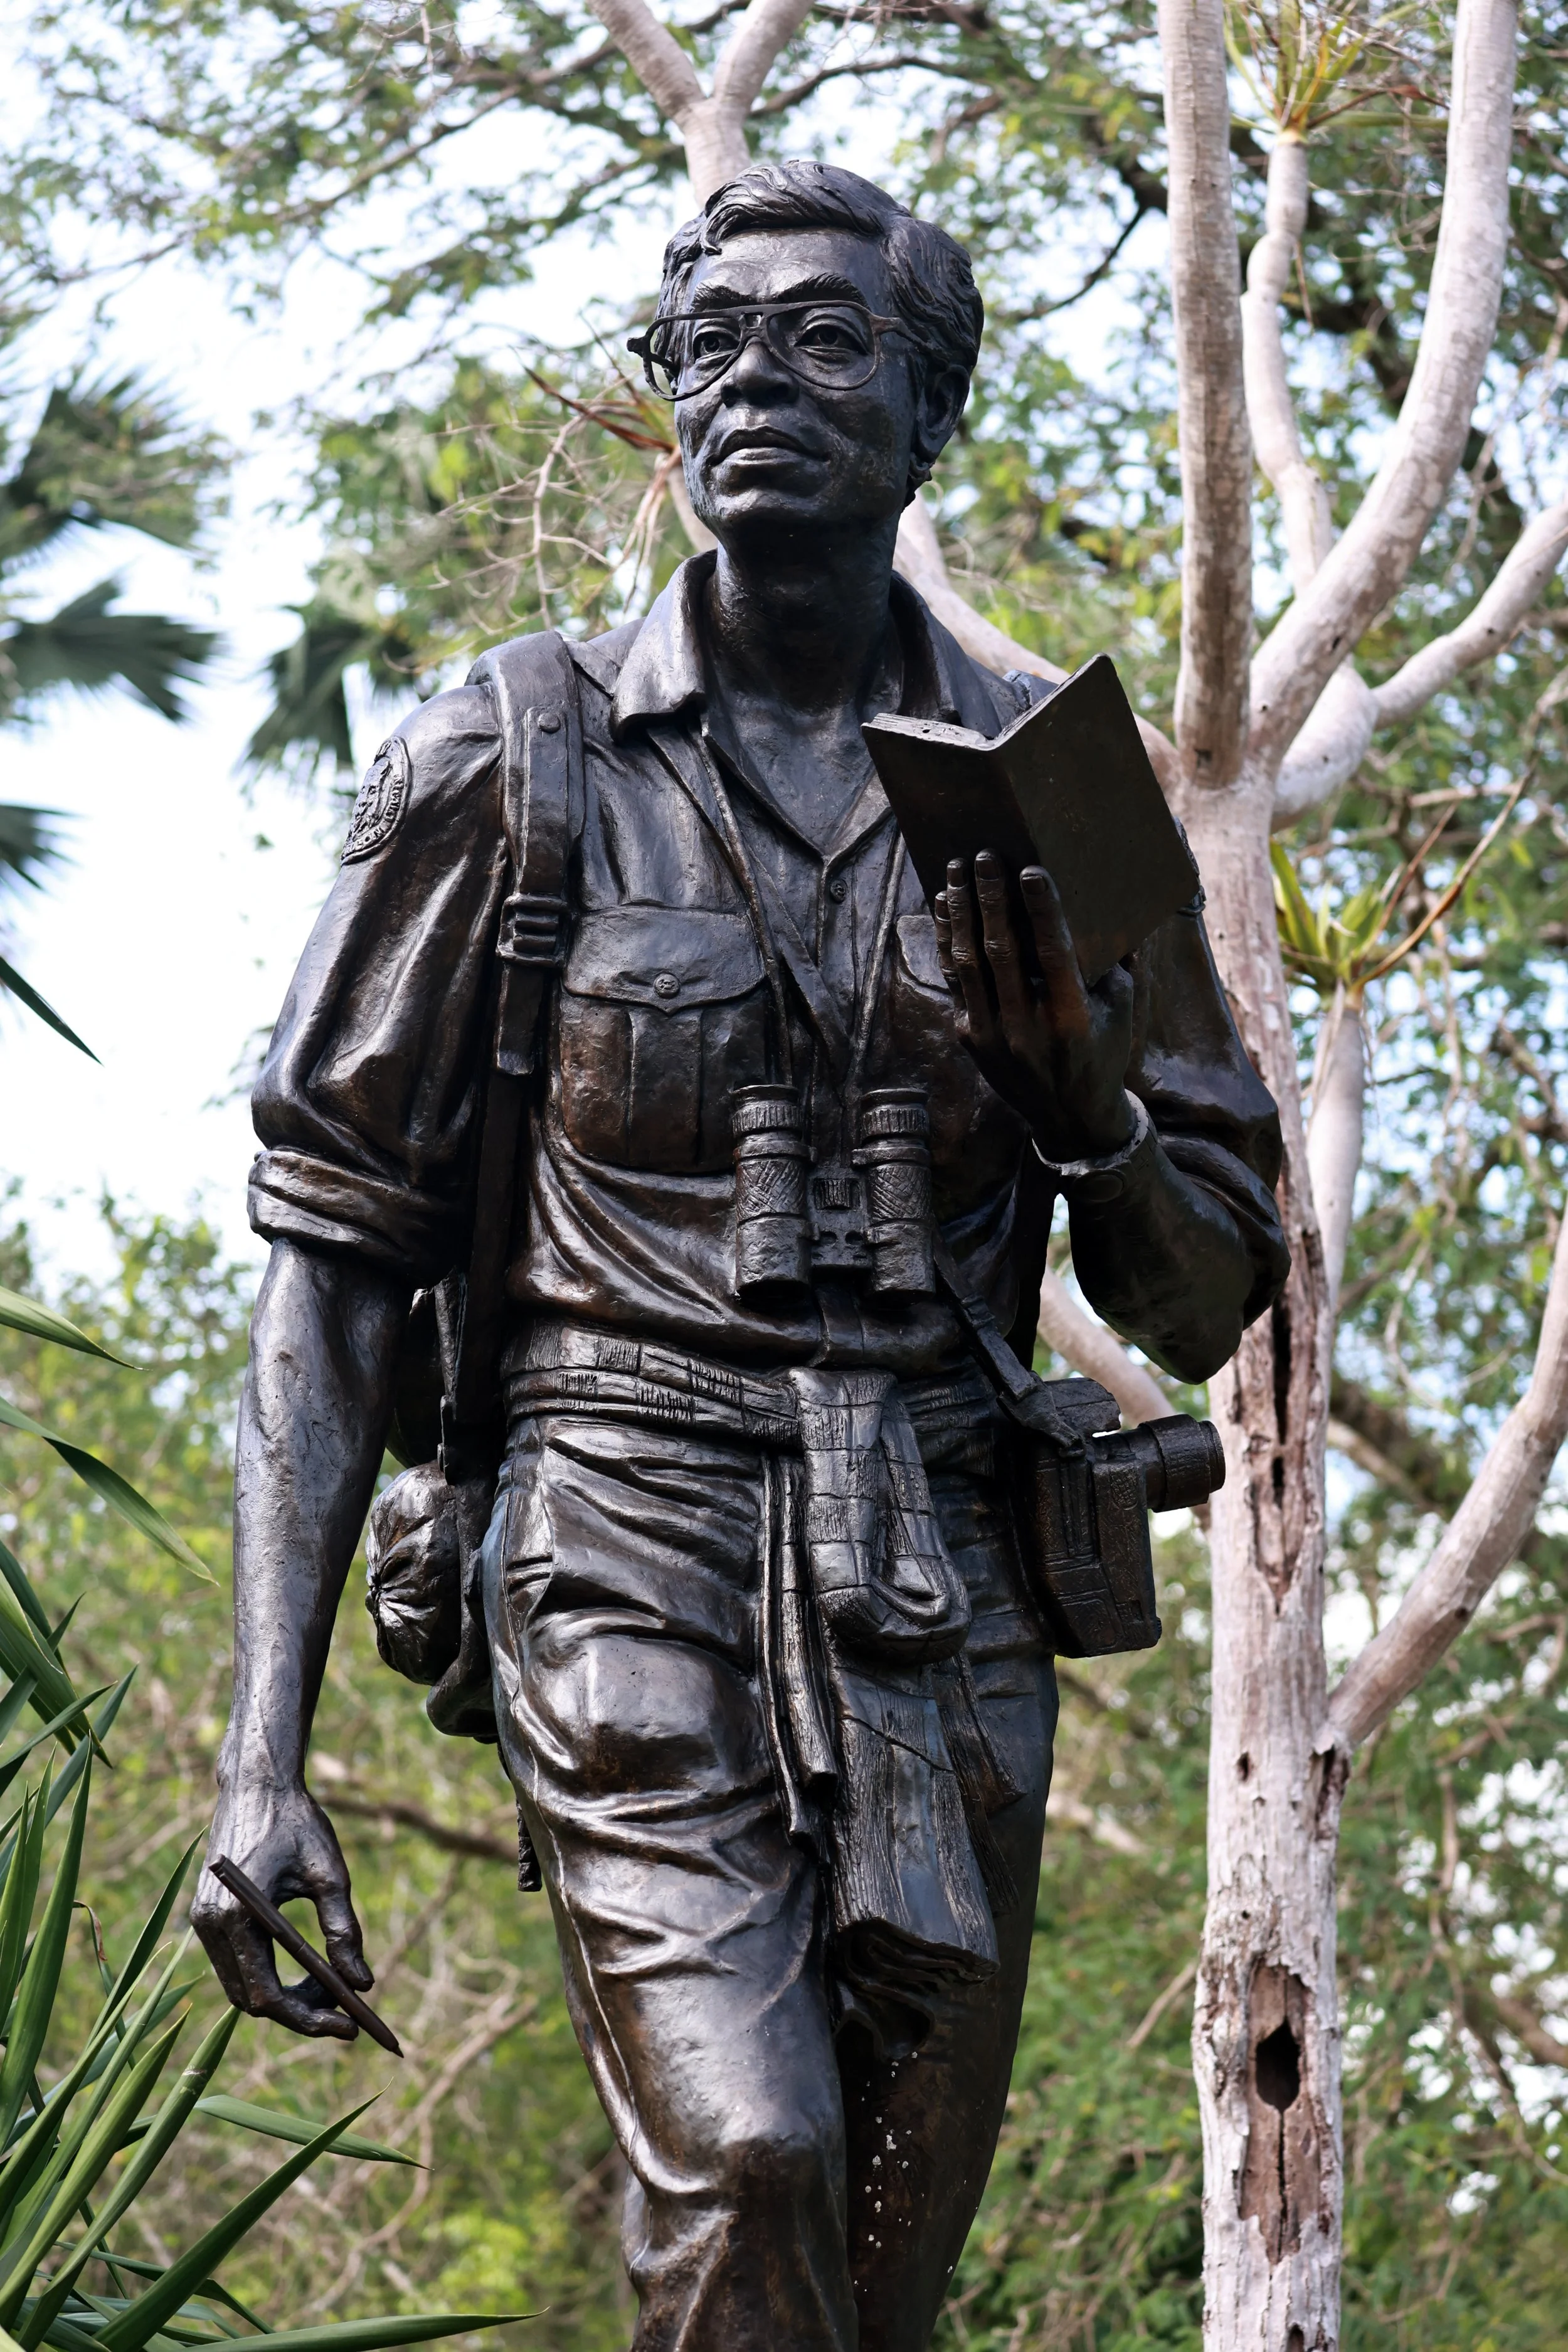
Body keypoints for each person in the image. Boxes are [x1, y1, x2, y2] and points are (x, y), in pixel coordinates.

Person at [193, 161, 1287, 2352]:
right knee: (755, 2148)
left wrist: (1084, 1109)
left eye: (819, 339)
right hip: (616, 1525)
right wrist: (258, 1750)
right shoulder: (508, 760)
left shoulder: (1040, 782)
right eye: (706, 346)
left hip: (942, 1577)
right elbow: (327, 1261)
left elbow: (1205, 1283)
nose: (750, 385)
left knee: (877, 2265)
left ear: (926, 406)